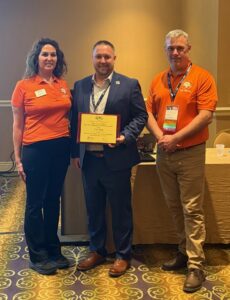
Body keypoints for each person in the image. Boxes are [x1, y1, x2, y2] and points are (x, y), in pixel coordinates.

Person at [146, 29, 217, 293]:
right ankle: (183, 251)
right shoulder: (158, 79)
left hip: (190, 152)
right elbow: (149, 113)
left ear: (189, 49)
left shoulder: (202, 77)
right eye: (171, 48)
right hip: (165, 152)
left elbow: (206, 116)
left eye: (180, 48)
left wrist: (176, 138)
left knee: (192, 209)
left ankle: (196, 265)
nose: (175, 53)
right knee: (174, 206)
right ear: (165, 50)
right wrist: (161, 138)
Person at [71, 40, 147, 277]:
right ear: (92, 58)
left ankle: (123, 254)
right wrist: (75, 153)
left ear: (115, 58)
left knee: (120, 209)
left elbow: (141, 115)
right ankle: (97, 250)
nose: (103, 61)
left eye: (107, 57)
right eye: (99, 57)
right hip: (90, 160)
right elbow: (75, 121)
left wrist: (125, 136)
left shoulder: (129, 84)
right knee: (93, 209)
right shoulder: (81, 85)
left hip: (117, 159)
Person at [11, 38, 73, 275]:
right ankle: (37, 255)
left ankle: (53, 249)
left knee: (53, 200)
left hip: (60, 149)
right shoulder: (23, 86)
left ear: (58, 59)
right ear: (36, 58)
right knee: (35, 203)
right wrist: (18, 158)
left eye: (53, 55)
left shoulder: (62, 85)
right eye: (45, 54)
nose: (49, 58)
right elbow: (17, 125)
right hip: (35, 150)